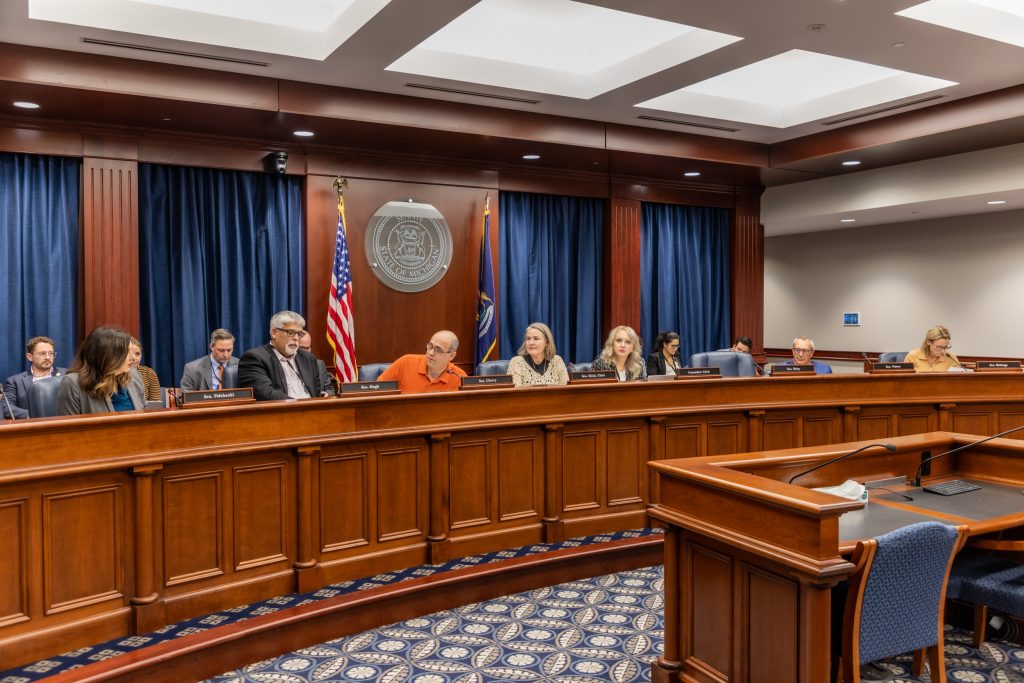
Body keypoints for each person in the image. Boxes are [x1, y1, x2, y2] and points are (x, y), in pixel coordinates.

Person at [238, 311, 333, 401]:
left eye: (299, 334)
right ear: (274, 333)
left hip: (313, 409)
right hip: (281, 411)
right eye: (291, 333)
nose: (296, 338)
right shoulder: (254, 358)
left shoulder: (308, 358)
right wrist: (299, 405)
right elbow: (265, 394)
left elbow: (316, 391)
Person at [56, 327, 145, 415]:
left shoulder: (134, 375)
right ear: (107, 355)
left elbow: (144, 415)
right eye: (126, 352)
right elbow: (68, 424)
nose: (133, 358)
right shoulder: (72, 383)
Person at [378, 330, 467, 394]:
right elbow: (377, 390)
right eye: (430, 346)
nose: (431, 353)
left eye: (438, 350)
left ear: (451, 356)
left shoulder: (459, 378)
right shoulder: (405, 362)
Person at [3, 336, 67, 419]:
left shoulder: (66, 375)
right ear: (30, 357)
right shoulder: (15, 381)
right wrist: (33, 415)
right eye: (42, 353)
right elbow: (6, 407)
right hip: (32, 424)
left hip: (63, 422)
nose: (48, 357)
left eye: (51, 353)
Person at [297, 329, 336, 396]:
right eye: (302, 348)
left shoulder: (319, 364)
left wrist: (327, 394)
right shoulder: (289, 364)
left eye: (307, 348)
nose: (305, 351)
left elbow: (330, 389)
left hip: (317, 401)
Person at [128, 337, 162, 402]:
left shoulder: (149, 373)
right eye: (129, 354)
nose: (134, 358)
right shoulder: (114, 374)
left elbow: (155, 405)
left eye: (137, 354)